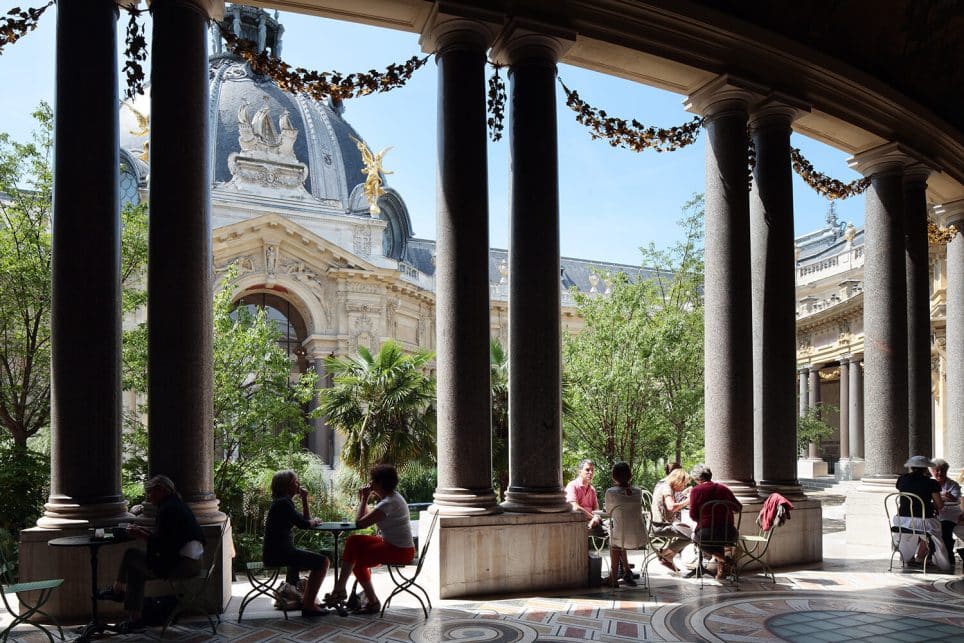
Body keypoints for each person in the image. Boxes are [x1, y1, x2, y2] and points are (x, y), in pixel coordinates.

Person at [99, 475, 205, 633]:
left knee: (131, 554)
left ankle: (117, 590)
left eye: (151, 492)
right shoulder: (175, 505)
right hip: (190, 562)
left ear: (162, 490)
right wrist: (143, 532)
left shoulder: (168, 509)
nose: (148, 496)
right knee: (135, 569)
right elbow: (167, 538)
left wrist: (142, 534)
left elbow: (165, 544)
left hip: (183, 565)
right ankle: (134, 618)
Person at [324, 464, 415, 614]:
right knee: (353, 541)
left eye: (373, 480)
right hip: (392, 544)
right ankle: (340, 588)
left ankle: (372, 601)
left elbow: (359, 522)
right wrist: (364, 500)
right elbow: (365, 520)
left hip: (400, 550)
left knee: (358, 564)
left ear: (380, 483)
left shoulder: (388, 503)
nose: (370, 483)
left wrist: (365, 498)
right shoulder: (390, 498)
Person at [262, 470, 330, 617]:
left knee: (308, 560)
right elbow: (304, 524)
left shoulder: (283, 502)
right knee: (323, 562)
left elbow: (304, 520)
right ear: (286, 486)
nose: (298, 484)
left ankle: (305, 601)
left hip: (279, 551)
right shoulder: (283, 503)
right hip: (279, 554)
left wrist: (304, 499)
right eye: (295, 482)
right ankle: (309, 605)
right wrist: (315, 522)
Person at [688, 464, 741, 580]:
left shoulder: (695, 491)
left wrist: (704, 521)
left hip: (706, 534)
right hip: (729, 533)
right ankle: (720, 572)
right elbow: (738, 508)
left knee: (696, 538)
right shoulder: (724, 488)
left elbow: (692, 515)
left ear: (698, 479)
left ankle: (723, 559)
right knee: (718, 539)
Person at [895, 455, 948, 569]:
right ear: (926, 469)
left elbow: (909, 496)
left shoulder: (902, 479)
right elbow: (940, 505)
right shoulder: (931, 483)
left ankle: (907, 557)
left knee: (912, 531)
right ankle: (920, 557)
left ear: (912, 467)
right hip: (923, 520)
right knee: (932, 530)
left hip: (902, 520)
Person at [603, 462, 646, 587]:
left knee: (615, 541)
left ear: (613, 477)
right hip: (640, 538)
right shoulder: (638, 491)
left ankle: (613, 578)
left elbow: (609, 512)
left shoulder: (611, 492)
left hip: (621, 538)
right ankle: (626, 571)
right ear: (631, 475)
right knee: (619, 538)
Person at [650, 467, 692, 573]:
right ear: (678, 481)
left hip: (657, 524)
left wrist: (683, 494)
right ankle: (665, 555)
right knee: (692, 535)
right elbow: (671, 507)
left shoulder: (665, 486)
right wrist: (688, 501)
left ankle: (667, 554)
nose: (684, 486)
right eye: (684, 483)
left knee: (688, 530)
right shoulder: (667, 488)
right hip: (660, 527)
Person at [930, 459, 961, 563]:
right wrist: (944, 497)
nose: (940, 473)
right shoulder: (929, 483)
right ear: (932, 471)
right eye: (937, 470)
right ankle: (931, 555)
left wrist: (943, 497)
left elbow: (955, 498)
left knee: (945, 528)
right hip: (934, 512)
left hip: (950, 512)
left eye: (942, 470)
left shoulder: (953, 484)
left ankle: (948, 556)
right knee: (929, 529)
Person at [566, 459, 602, 531]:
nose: (590, 472)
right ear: (580, 471)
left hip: (591, 522)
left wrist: (596, 518)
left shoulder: (592, 489)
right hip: (576, 523)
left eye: (592, 470)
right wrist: (593, 517)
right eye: (587, 470)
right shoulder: (572, 486)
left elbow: (596, 509)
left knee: (612, 528)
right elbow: (575, 507)